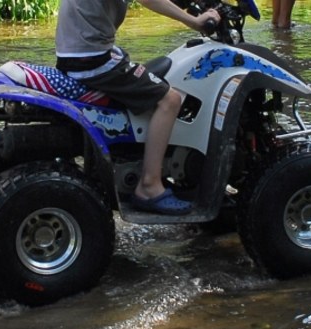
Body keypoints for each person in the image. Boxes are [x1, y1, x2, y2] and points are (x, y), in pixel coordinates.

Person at [55, 0, 219, 215]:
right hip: (92, 60)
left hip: (79, 52)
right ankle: (149, 186)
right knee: (170, 100)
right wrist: (194, 21)